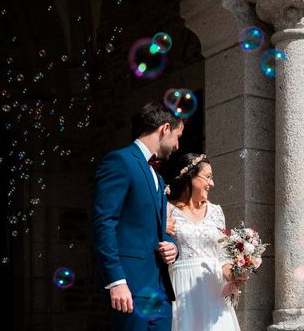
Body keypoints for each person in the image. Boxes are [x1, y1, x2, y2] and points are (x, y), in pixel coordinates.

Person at [92, 101, 183, 331]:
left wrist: (172, 247)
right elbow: (104, 222)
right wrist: (116, 281)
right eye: (177, 136)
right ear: (165, 129)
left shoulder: (158, 177)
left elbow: (159, 228)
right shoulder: (120, 161)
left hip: (160, 291)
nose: (177, 146)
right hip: (130, 288)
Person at [165, 153, 246, 331]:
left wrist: (237, 273)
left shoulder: (216, 212)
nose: (212, 183)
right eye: (208, 177)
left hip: (213, 289)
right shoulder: (167, 210)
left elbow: (222, 257)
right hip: (182, 287)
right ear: (190, 177)